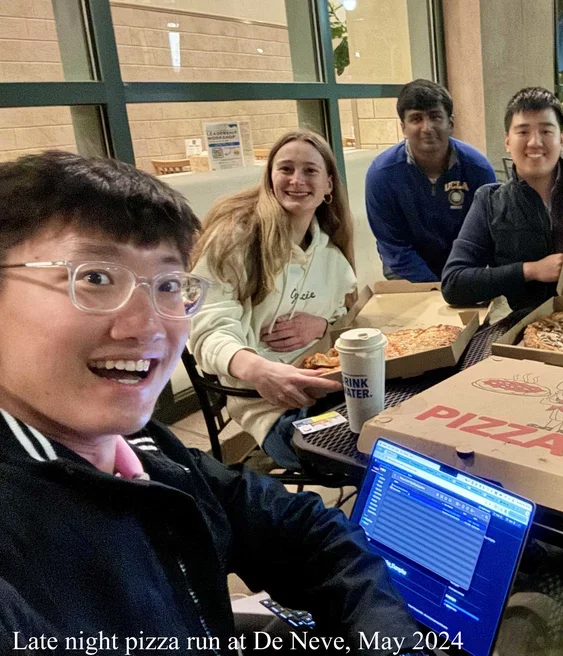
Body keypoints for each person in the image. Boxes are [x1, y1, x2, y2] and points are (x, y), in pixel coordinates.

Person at [0, 151, 420, 654]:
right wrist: (256, 368)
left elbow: (305, 530)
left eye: (168, 285)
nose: (146, 325)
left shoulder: (146, 450)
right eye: (94, 277)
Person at [190, 130, 353, 471]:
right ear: (270, 178)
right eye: (286, 169)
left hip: (333, 391)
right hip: (276, 413)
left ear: (328, 185)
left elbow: (346, 319)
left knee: (403, 417)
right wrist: (258, 371)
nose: (297, 180)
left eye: (310, 171)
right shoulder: (235, 242)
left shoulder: (332, 256)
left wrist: (321, 326)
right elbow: (206, 329)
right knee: (366, 446)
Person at [441, 87, 563, 312]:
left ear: (562, 139)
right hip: (522, 325)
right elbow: (454, 283)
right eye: (523, 132)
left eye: (546, 131)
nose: (534, 142)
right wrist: (530, 270)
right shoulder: (490, 202)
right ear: (507, 141)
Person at [365, 79, 497, 282]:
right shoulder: (381, 175)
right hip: (404, 266)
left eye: (435, 117)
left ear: (450, 123)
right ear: (403, 127)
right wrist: (435, 288)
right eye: (416, 119)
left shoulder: (478, 169)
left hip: (463, 265)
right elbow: (394, 246)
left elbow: (484, 237)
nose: (427, 128)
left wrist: (458, 283)